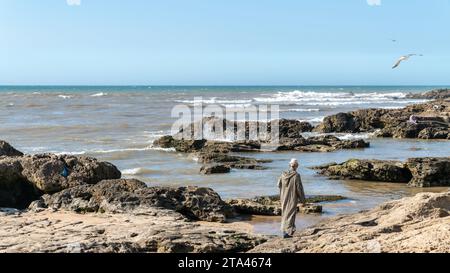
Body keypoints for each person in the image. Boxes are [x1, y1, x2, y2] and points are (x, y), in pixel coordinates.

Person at [277, 158, 306, 238]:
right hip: (292, 197)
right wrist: (303, 200)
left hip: (283, 197)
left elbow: (278, 184)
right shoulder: (296, 175)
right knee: (290, 215)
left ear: (289, 165)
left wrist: (283, 191)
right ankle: (288, 233)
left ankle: (284, 232)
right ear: (297, 166)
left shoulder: (283, 174)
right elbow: (299, 189)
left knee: (284, 214)